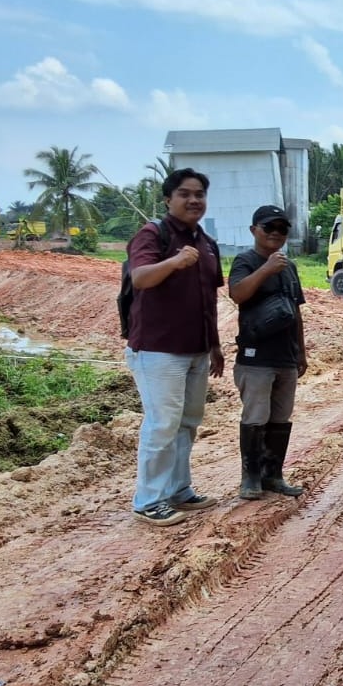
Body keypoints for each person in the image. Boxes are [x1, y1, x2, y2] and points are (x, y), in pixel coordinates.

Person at [123, 168, 224, 526]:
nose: (194, 200)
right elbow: (141, 278)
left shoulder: (207, 243)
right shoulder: (153, 235)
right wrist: (175, 261)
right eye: (184, 193)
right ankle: (148, 500)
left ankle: (179, 490)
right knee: (163, 423)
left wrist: (214, 345)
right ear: (168, 199)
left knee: (187, 423)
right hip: (158, 349)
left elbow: (208, 299)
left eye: (199, 194)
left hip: (196, 349)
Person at [228, 205, 307, 501]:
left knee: (281, 418)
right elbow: (238, 294)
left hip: (285, 356)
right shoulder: (245, 261)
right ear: (254, 230)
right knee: (255, 416)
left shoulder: (290, 267)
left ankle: (273, 475)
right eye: (269, 227)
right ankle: (250, 478)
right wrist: (266, 269)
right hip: (256, 356)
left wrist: (301, 351)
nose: (276, 233)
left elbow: (296, 311)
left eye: (282, 229)